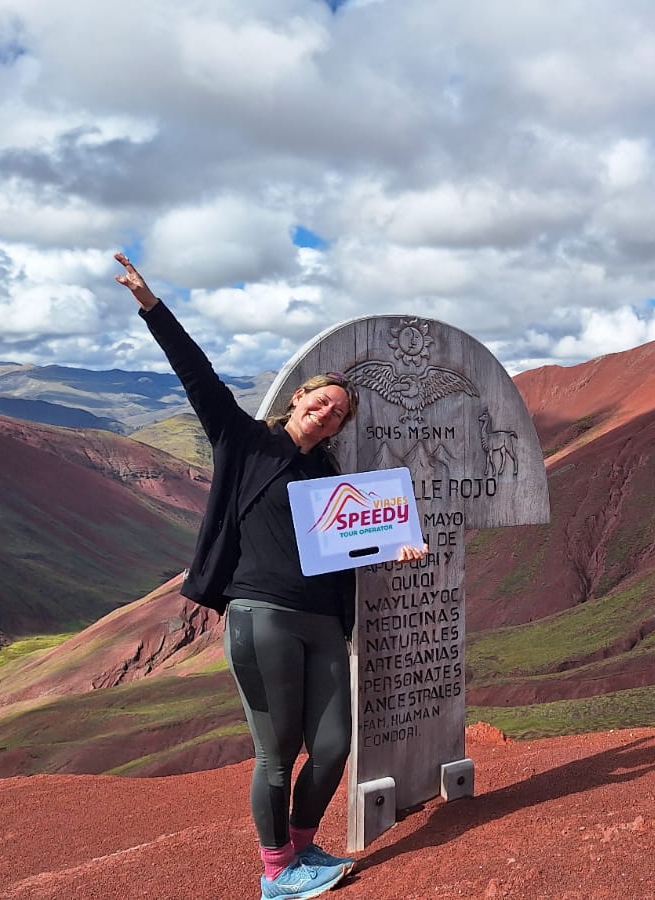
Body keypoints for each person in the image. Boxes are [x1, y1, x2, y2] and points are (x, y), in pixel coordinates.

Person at [115, 253, 426, 900]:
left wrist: (391, 550)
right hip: (263, 616)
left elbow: (352, 545)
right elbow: (195, 374)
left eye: (339, 412)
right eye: (321, 402)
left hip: (323, 621)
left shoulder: (332, 479)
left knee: (336, 744)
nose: (328, 414)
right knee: (279, 751)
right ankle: (277, 873)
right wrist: (151, 304)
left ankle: (302, 844)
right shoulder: (245, 441)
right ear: (298, 400)